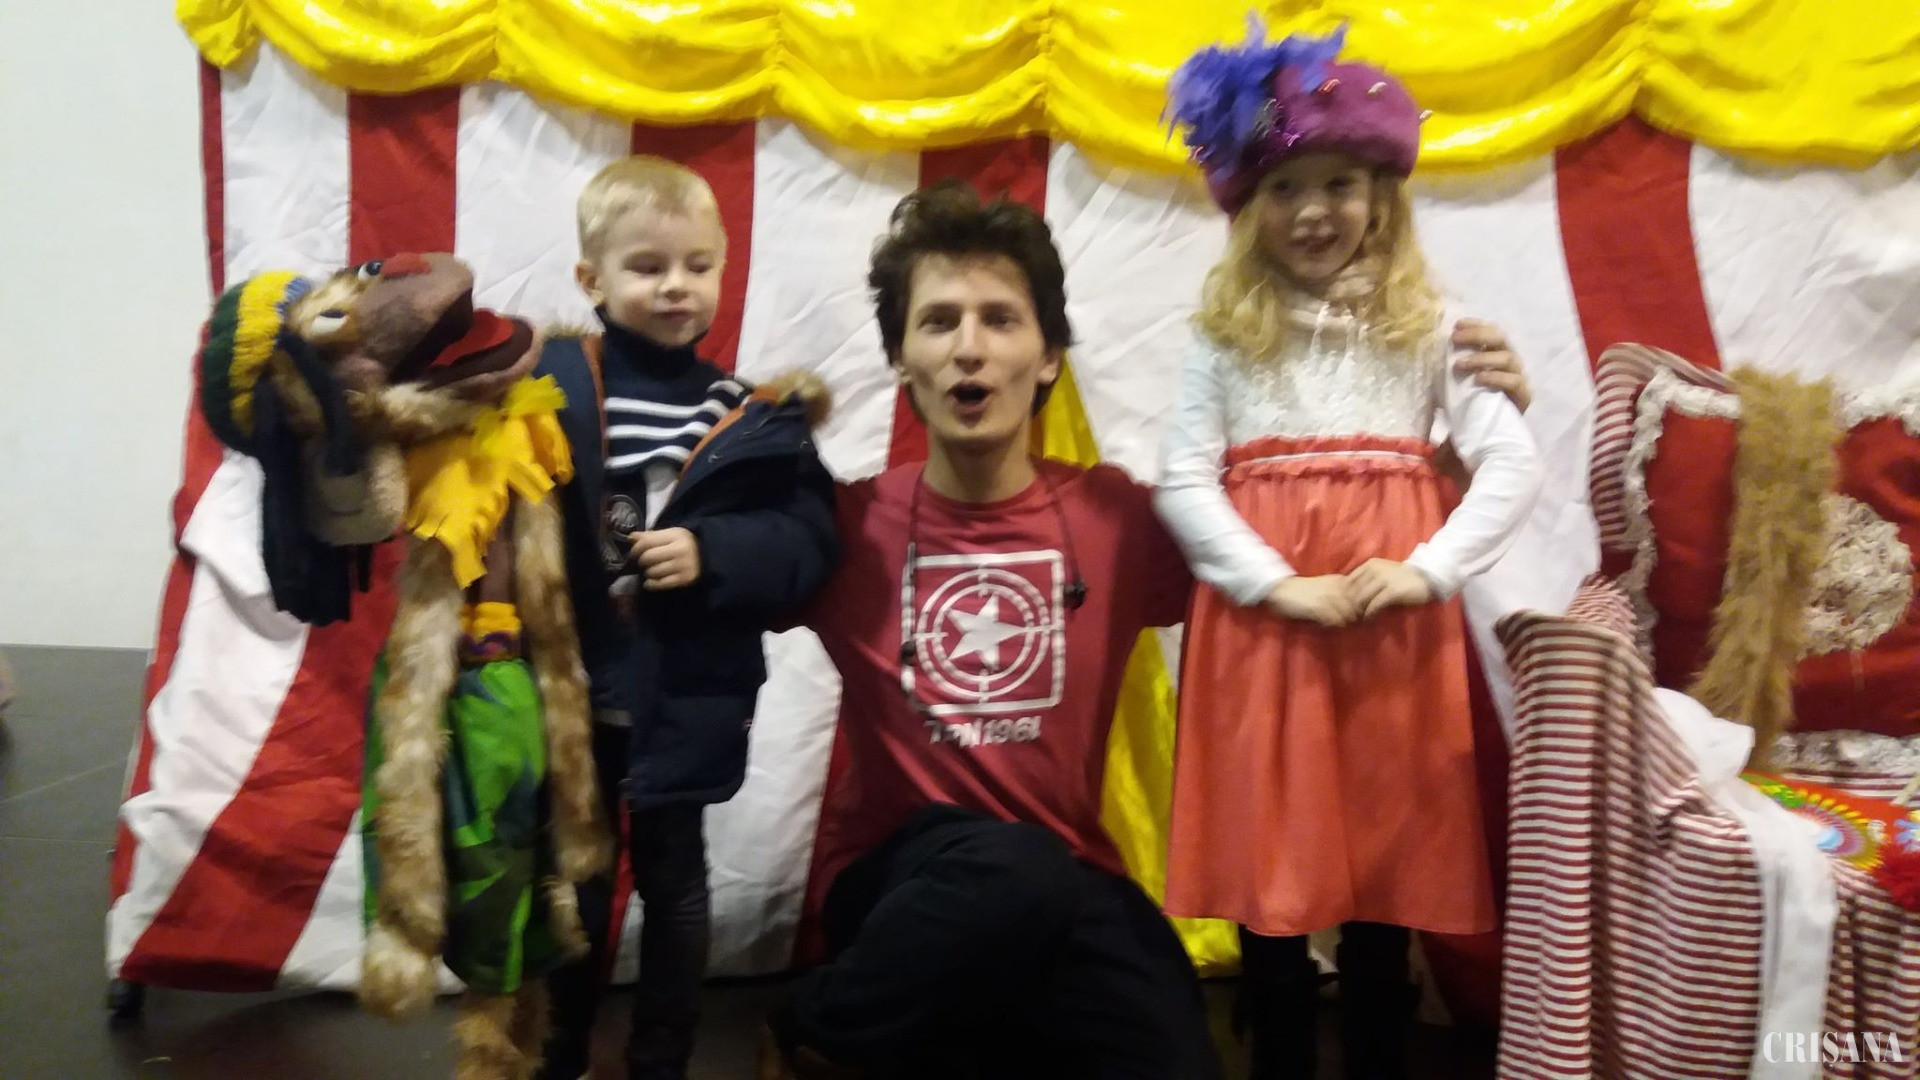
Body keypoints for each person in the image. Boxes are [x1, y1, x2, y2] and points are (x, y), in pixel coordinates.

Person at [758, 179, 1536, 1079]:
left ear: (1048, 357)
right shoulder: (846, 527)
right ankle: (811, 1026)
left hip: (1069, 876)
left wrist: (1450, 454)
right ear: (901, 357)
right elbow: (716, 579)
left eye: (1000, 320)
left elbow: (1292, 550)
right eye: (938, 322)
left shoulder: (1119, 520)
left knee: (1169, 1045)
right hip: (901, 881)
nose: (969, 347)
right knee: (1009, 868)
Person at [1154, 24, 1543, 1079]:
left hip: (1390, 635)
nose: (1313, 211)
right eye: (1285, 188)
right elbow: (1182, 478)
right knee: (1270, 873)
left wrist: (1428, 570)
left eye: (1338, 184)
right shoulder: (1224, 337)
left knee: (1386, 866)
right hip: (1267, 636)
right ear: (1249, 208)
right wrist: (1275, 585)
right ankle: (1277, 1048)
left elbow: (1511, 461)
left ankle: (1376, 1048)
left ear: (1382, 196)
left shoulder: (1434, 328)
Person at [537, 156, 839, 1080]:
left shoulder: (748, 413)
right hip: (571, 691)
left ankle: (661, 1058)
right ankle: (555, 1050)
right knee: (574, 886)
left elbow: (807, 539)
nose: (676, 286)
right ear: (591, 279)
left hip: (685, 693)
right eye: (648, 266)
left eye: (697, 265)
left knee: (675, 883)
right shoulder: (546, 386)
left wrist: (714, 551)